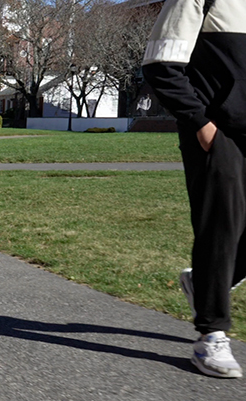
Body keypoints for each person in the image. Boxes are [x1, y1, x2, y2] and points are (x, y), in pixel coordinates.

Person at [143, 0, 244, 378]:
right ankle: (211, 335)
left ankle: (203, 282)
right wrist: (202, 125)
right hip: (219, 133)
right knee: (222, 226)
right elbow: (160, 64)